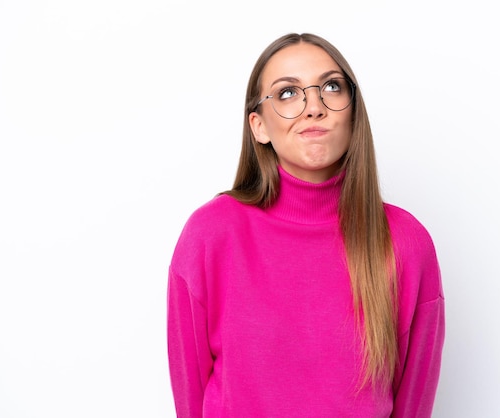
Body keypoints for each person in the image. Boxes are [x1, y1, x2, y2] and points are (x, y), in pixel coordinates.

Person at [167, 33, 445, 417]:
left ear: (353, 113)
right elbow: (190, 397)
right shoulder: (212, 235)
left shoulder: (405, 242)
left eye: (331, 87)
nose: (313, 107)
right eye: (287, 94)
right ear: (259, 127)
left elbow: (413, 404)